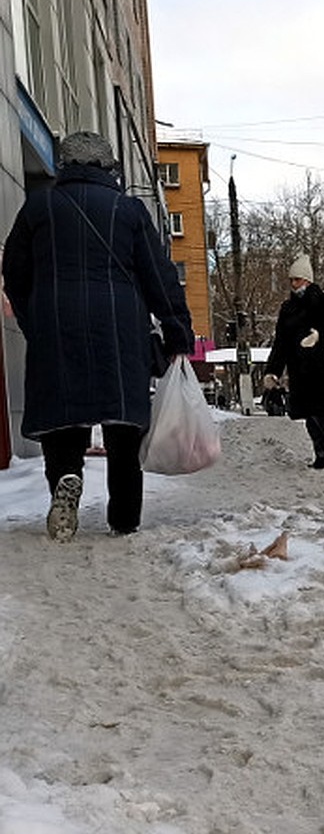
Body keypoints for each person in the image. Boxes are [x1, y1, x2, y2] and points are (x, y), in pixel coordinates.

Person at [1, 130, 194, 541]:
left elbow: (14, 274)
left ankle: (66, 479)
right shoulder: (129, 211)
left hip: (56, 326)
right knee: (123, 427)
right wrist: (178, 331)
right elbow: (159, 277)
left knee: (62, 420)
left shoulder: (40, 207)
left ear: (64, 165)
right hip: (120, 328)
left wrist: (34, 320)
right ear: (110, 167)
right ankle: (123, 517)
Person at [263, 254, 324, 469]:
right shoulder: (287, 309)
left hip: (320, 368)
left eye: (298, 279)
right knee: (309, 414)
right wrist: (272, 370)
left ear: (308, 280)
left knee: (321, 412)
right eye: (291, 280)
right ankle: (320, 454)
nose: (294, 284)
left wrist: (320, 336)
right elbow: (280, 343)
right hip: (298, 370)